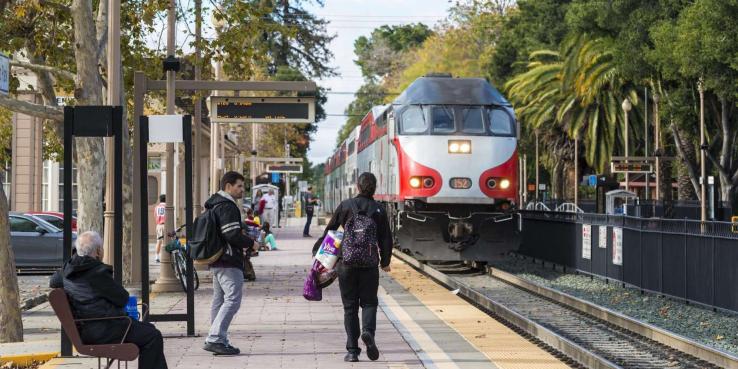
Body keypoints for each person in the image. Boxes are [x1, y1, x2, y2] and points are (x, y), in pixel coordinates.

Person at [50, 232, 168, 369]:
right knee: (153, 336)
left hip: (87, 329)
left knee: (148, 330)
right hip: (105, 329)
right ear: (99, 251)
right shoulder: (96, 272)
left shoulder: (67, 270)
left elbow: (53, 281)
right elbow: (122, 298)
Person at [312, 172, 393, 362]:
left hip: (346, 264)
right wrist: (385, 262)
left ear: (357, 186)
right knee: (369, 302)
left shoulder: (346, 206)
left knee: (350, 308)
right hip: (370, 265)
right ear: (375, 187)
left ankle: (352, 351)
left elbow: (331, 232)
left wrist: (319, 255)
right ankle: (368, 332)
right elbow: (386, 239)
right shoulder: (379, 209)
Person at [203, 171, 254, 355]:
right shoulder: (227, 206)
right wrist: (251, 243)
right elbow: (231, 234)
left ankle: (219, 339)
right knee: (232, 299)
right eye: (239, 186)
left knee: (219, 299)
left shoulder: (214, 204)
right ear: (228, 186)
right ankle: (215, 338)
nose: (242, 190)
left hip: (218, 259)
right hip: (228, 259)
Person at [154, 194, 166, 263]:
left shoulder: (157, 207)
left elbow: (155, 216)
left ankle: (157, 256)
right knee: (166, 241)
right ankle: (165, 256)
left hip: (158, 225)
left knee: (159, 241)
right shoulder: (167, 206)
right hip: (165, 225)